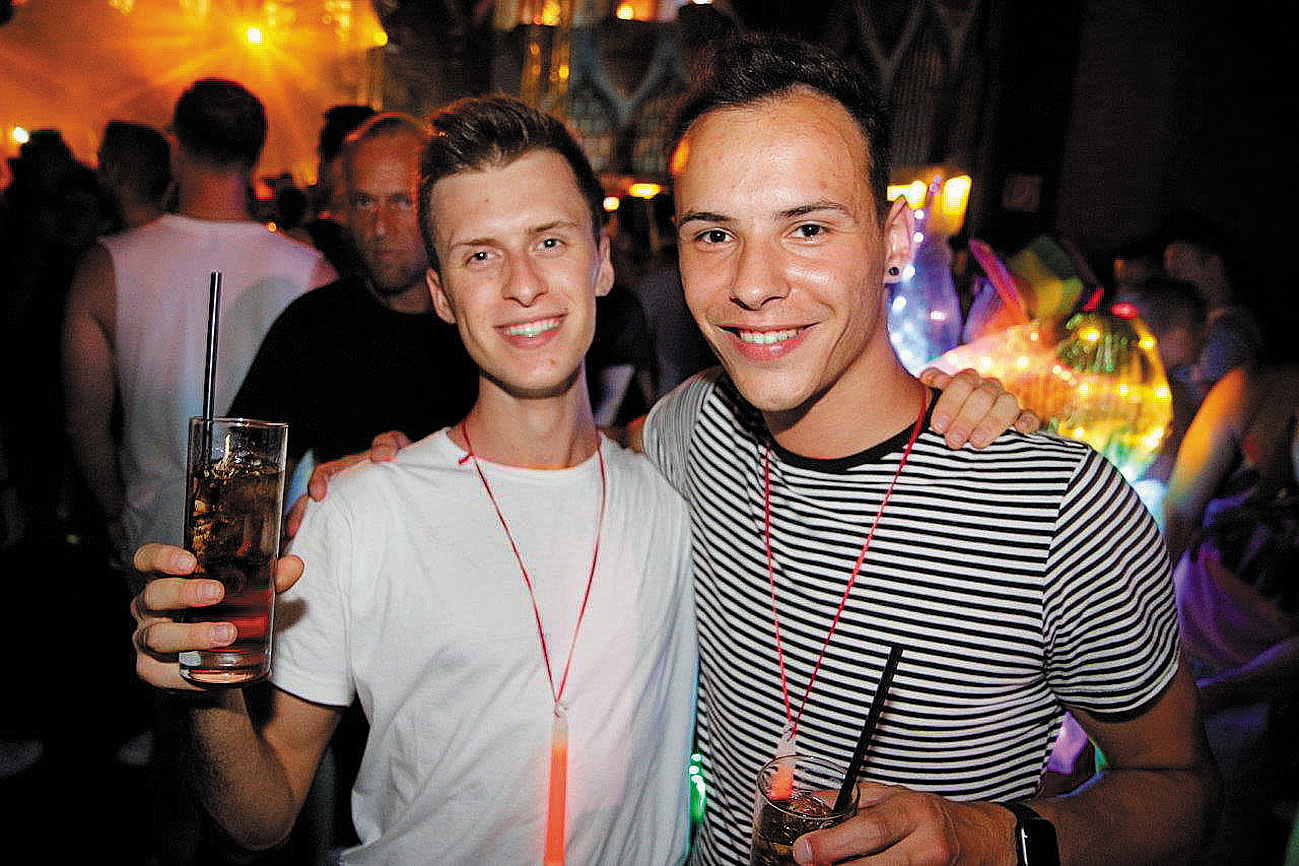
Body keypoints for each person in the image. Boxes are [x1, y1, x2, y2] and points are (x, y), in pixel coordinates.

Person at [638, 33, 1218, 865]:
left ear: (897, 240)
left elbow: (1180, 788)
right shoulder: (685, 431)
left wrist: (989, 838)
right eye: (712, 235)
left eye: (807, 228)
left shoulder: (1055, 507)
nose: (752, 284)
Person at [131, 95, 697, 864]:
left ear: (601, 260)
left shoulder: (678, 500)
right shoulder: (359, 515)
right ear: (440, 294)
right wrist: (211, 698)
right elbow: (260, 819)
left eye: (549, 241)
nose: (522, 284)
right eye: (479, 256)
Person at [62, 78, 336, 569]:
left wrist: (118, 513)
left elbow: (86, 423)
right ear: (255, 155)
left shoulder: (106, 266)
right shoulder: (311, 272)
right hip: (267, 548)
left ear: (176, 148)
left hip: (154, 536)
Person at [229, 112, 478, 474]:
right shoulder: (314, 325)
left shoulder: (482, 329)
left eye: (401, 201)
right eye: (364, 202)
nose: (379, 227)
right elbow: (243, 470)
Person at [1163, 361, 1299, 863]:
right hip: (1175, 645)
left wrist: (1215, 697)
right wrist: (1141, 640)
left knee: (1213, 838)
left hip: (1260, 700)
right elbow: (1177, 518)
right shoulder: (1251, 390)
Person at [1161, 215, 1263, 404]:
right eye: (1169, 274)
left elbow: (1202, 406)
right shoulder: (1211, 325)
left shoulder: (1227, 334)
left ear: (1213, 266)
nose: (1173, 282)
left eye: (1180, 270)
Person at [95, 120, 171, 232]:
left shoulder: (104, 244)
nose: (95, 173)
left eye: (101, 163)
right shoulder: (192, 236)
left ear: (114, 169)